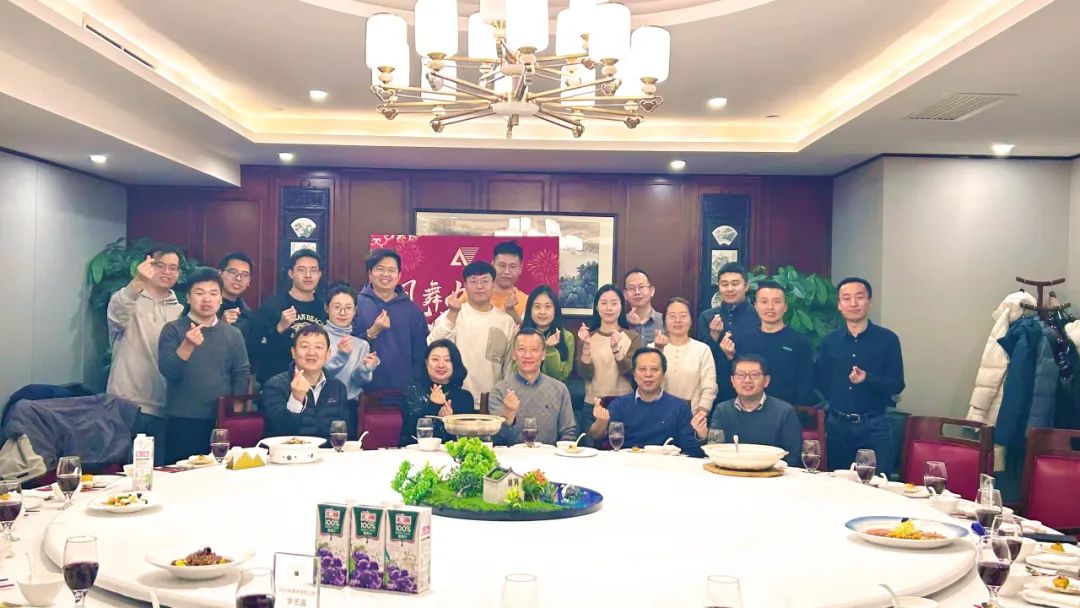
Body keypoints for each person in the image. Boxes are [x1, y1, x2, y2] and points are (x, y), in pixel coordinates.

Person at [158, 268, 250, 464]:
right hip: (183, 419)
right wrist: (188, 345)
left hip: (221, 420)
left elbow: (241, 372)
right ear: (188, 298)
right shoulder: (173, 329)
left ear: (220, 299)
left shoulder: (232, 334)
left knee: (220, 474)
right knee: (182, 474)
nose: (207, 299)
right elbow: (169, 371)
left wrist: (236, 409)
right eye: (199, 293)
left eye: (213, 293)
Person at [815, 277, 905, 475]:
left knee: (875, 483)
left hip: (875, 426)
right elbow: (822, 381)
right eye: (846, 298)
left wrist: (868, 378)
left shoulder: (887, 339)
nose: (853, 303)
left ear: (869, 301)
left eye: (859, 297)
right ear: (839, 305)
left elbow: (897, 384)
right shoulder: (829, 342)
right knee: (836, 482)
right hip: (837, 426)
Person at [106, 244, 185, 463]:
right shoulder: (127, 299)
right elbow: (116, 317)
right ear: (148, 265)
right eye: (160, 265)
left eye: (173, 268)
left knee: (154, 473)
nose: (167, 272)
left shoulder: (180, 311)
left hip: (162, 407)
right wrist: (137, 282)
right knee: (120, 472)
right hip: (125, 403)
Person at [589, 347, 704, 457]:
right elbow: (595, 437)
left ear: (663, 374)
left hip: (666, 466)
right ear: (634, 374)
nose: (648, 374)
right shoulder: (619, 404)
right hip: (628, 465)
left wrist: (701, 437)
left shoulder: (680, 407)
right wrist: (601, 423)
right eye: (642, 369)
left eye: (654, 369)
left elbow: (692, 452)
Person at [429, 261, 517, 404]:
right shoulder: (453, 314)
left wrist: (505, 399)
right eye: (473, 281)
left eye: (485, 281)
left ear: (493, 284)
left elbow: (508, 367)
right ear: (465, 285)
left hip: (493, 402)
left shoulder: (506, 321)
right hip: (455, 400)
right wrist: (452, 314)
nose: (479, 286)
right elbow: (431, 345)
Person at [693, 354, 801, 467]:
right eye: (740, 375)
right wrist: (702, 436)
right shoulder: (722, 410)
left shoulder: (784, 412)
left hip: (770, 474)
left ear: (766, 381)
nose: (747, 380)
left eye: (754, 375)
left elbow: (793, 457)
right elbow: (713, 450)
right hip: (730, 472)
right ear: (732, 381)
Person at [720, 280, 816, 406]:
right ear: (755, 306)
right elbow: (732, 380)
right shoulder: (742, 340)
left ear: (785, 306)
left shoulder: (799, 342)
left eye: (776, 302)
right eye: (764, 302)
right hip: (748, 409)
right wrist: (728, 357)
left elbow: (805, 384)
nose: (770, 307)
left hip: (787, 410)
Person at [353, 248, 429, 393]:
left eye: (391, 270)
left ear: (399, 275)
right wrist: (371, 332)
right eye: (380, 269)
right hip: (362, 392)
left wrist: (416, 386)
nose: (386, 274)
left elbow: (420, 354)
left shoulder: (412, 310)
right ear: (370, 273)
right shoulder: (355, 305)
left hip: (404, 393)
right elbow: (347, 348)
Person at [261, 324, 352, 440]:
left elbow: (343, 432)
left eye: (318, 347)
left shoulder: (338, 387)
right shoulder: (275, 385)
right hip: (291, 450)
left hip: (329, 450)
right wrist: (296, 399)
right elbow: (279, 432)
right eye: (305, 346)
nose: (311, 352)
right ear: (293, 352)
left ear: (328, 354)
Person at [488, 329, 577, 446]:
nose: (527, 355)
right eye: (521, 349)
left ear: (543, 354)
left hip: (550, 455)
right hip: (512, 455)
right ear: (514, 354)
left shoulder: (559, 389)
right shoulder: (499, 390)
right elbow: (496, 439)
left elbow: (569, 433)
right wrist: (508, 413)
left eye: (534, 350)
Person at [250, 249, 326, 384]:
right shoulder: (273, 305)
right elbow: (254, 348)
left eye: (313, 270)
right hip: (276, 383)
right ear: (291, 273)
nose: (308, 275)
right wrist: (279, 328)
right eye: (302, 270)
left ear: (319, 274)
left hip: (314, 383)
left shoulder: (324, 308)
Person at [696, 262, 760, 403]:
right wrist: (713, 336)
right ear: (719, 287)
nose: (730, 289)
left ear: (746, 286)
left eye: (735, 283)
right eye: (724, 284)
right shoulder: (707, 317)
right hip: (716, 392)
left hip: (750, 389)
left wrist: (732, 356)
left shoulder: (758, 316)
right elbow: (701, 359)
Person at [399, 340, 475, 446]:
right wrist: (433, 406)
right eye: (435, 359)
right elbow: (409, 432)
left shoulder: (464, 397)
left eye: (447, 360)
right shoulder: (412, 391)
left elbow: (467, 440)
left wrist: (450, 423)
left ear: (455, 364)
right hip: (415, 452)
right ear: (426, 363)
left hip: (449, 453)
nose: (441, 365)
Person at [575, 285, 642, 404]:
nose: (609, 308)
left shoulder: (633, 337)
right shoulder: (586, 337)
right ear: (597, 307)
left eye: (614, 303)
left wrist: (616, 350)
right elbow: (586, 374)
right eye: (604, 303)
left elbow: (631, 373)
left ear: (621, 307)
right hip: (593, 403)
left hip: (624, 403)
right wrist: (586, 346)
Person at [655, 298, 717, 414]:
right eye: (672, 316)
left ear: (691, 320)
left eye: (683, 316)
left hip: (693, 415)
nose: (678, 320)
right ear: (664, 321)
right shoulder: (652, 348)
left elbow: (709, 387)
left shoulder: (702, 349)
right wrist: (658, 350)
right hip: (657, 414)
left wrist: (701, 413)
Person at [323, 282, 380, 401]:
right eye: (337, 307)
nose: (342, 313)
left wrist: (365, 369)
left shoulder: (362, 345)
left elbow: (358, 382)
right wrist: (341, 356)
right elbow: (317, 374)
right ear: (327, 308)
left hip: (350, 405)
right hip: (320, 404)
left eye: (348, 308)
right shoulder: (316, 337)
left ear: (355, 311)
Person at [518, 285, 574, 382]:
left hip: (555, 390)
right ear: (530, 309)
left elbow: (561, 375)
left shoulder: (566, 337)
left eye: (548, 307)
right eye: (537, 307)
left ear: (555, 310)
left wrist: (550, 350)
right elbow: (515, 371)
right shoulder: (520, 336)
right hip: (522, 389)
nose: (542, 312)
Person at [217, 252, 255, 344]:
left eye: (245, 275)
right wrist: (220, 326)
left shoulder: (248, 314)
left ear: (249, 281)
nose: (238, 278)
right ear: (220, 273)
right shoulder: (206, 305)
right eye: (233, 272)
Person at [489, 240, 527, 324]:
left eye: (512, 266)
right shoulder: (472, 295)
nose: (506, 271)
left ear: (520, 268)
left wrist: (512, 312)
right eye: (502, 265)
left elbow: (528, 331)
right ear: (492, 265)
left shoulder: (528, 302)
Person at [623, 268, 664, 345]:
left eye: (641, 287)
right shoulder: (620, 324)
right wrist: (624, 322)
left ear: (652, 291)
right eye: (631, 288)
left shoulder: (665, 321)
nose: (637, 292)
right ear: (625, 294)